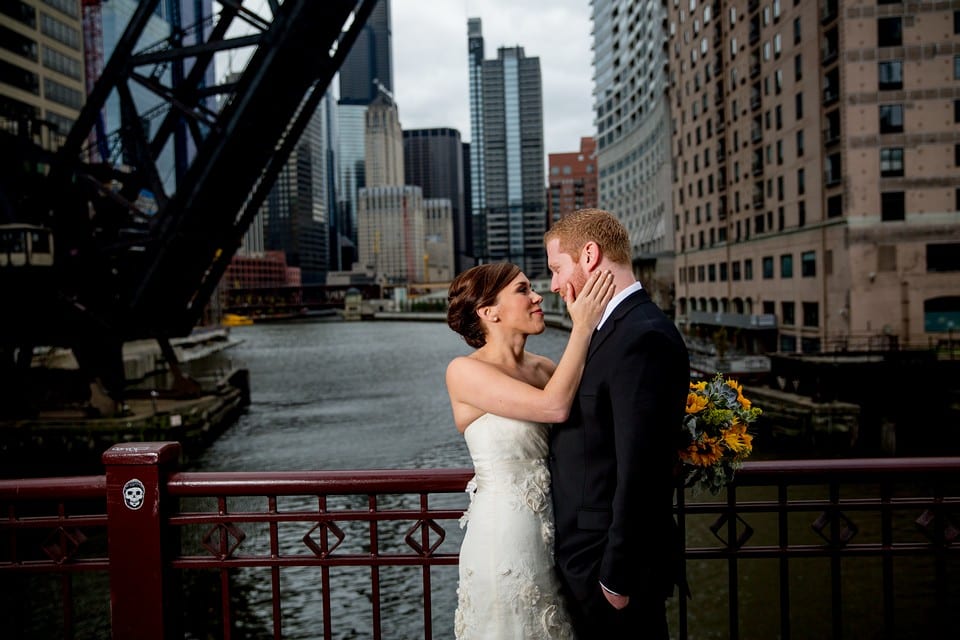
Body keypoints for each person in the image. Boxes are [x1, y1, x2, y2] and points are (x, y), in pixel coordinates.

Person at [445, 261, 615, 639]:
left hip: (559, 526)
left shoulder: (545, 369)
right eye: (523, 291)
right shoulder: (463, 371)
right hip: (505, 534)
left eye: (533, 288)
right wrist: (582, 326)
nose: (538, 296)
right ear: (489, 312)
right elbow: (554, 407)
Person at [544, 208, 690, 639]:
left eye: (556, 268)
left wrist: (615, 578)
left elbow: (642, 468)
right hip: (587, 559)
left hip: (609, 570)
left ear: (589, 255)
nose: (552, 285)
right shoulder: (608, 331)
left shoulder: (641, 336)